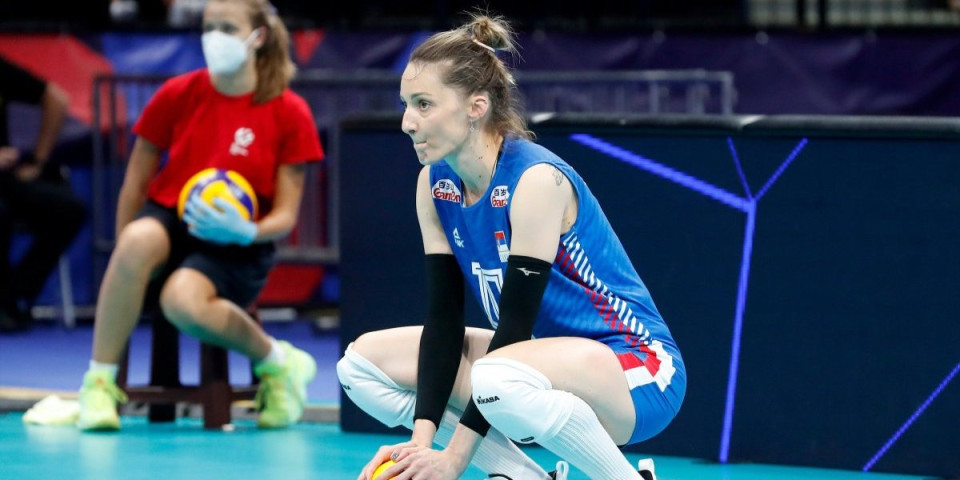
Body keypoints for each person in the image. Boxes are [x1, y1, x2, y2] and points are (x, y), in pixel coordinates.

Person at [336, 13, 686, 480]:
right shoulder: (434, 186)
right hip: (533, 362)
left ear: (476, 106)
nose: (407, 123)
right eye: (406, 104)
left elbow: (514, 328)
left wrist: (453, 459)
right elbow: (444, 321)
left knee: (495, 375)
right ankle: (525, 476)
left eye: (423, 104)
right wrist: (421, 444)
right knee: (360, 366)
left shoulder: (535, 181)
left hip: (636, 369)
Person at [77, 0, 323, 431]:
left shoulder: (289, 111)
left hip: (239, 242)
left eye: (228, 28)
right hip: (172, 219)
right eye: (209, 27)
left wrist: (245, 230)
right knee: (136, 240)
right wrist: (126, 262)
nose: (215, 37)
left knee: (181, 301)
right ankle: (98, 384)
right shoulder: (177, 93)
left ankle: (277, 361)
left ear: (259, 37)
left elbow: (285, 216)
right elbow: (135, 183)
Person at [0, 57, 86, 333]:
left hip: (7, 178)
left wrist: (37, 162)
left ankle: (14, 294)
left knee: (68, 211)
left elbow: (57, 99)